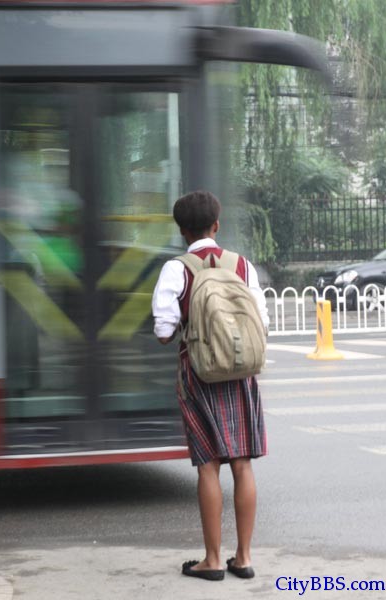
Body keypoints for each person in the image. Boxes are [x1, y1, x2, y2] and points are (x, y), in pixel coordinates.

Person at [151, 190, 268, 581]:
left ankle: (213, 560)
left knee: (208, 466)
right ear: (217, 225)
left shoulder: (176, 269)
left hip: (199, 373)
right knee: (242, 463)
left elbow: (164, 332)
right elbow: (261, 323)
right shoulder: (242, 266)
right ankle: (244, 557)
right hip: (241, 373)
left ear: (182, 231)